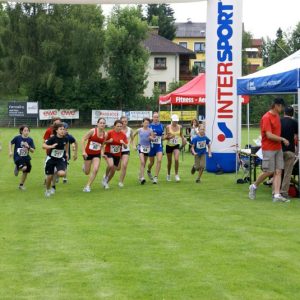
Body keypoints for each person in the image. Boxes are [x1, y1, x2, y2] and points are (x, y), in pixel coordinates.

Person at [248, 98, 290, 202]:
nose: (282, 108)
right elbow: (269, 135)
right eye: (281, 106)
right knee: (269, 171)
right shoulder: (266, 117)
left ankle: (276, 195)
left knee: (278, 171)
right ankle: (254, 186)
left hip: (278, 148)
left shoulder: (277, 116)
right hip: (268, 148)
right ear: (276, 105)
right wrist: (282, 139)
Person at [43, 122, 69, 197]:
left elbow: (67, 144)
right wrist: (51, 146)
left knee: (62, 173)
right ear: (56, 130)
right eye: (60, 129)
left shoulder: (65, 138)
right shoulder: (52, 138)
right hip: (51, 159)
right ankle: (47, 190)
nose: (62, 131)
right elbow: (43, 145)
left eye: (63, 129)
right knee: (49, 177)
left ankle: (55, 173)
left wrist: (66, 153)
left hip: (60, 159)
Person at [81, 118, 106, 192]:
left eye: (103, 123)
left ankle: (87, 186)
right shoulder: (92, 131)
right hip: (88, 153)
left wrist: (102, 153)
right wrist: (83, 151)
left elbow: (102, 145)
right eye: (100, 123)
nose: (102, 124)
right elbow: (83, 139)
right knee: (87, 172)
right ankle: (84, 167)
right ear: (97, 124)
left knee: (95, 169)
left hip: (97, 154)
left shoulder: (105, 134)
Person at [102, 120, 128, 189]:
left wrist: (123, 143)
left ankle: (106, 182)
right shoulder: (110, 133)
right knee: (110, 165)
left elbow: (125, 146)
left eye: (120, 126)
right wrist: (108, 141)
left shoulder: (123, 135)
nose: (119, 128)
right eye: (118, 126)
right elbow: (103, 143)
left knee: (113, 170)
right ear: (114, 126)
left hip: (117, 154)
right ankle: (106, 177)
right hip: (108, 152)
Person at [9, 125, 35, 190]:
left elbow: (33, 151)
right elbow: (10, 142)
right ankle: (18, 167)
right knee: (24, 168)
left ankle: (21, 185)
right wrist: (10, 151)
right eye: (25, 130)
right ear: (21, 131)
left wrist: (28, 146)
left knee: (26, 171)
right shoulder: (17, 138)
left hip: (26, 157)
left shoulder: (30, 140)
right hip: (17, 156)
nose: (26, 132)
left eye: (28, 131)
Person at [280, 106, 298, 198]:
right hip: (290, 150)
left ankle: (275, 192)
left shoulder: (279, 121)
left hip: (279, 150)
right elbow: (296, 137)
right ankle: (284, 192)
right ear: (293, 113)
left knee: (278, 172)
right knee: (287, 173)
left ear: (284, 113)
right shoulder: (295, 122)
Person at [165, 114, 186, 182]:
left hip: (176, 145)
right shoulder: (168, 127)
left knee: (176, 159)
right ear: (171, 120)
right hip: (169, 145)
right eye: (174, 121)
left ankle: (176, 175)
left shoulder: (180, 127)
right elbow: (166, 136)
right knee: (169, 161)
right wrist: (169, 137)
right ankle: (168, 174)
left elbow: (181, 134)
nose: (175, 122)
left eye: (176, 121)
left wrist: (183, 139)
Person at [133, 117, 153, 184]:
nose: (146, 124)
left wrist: (151, 138)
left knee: (144, 163)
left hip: (147, 148)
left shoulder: (150, 130)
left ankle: (140, 175)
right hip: (140, 147)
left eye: (148, 123)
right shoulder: (139, 130)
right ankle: (142, 178)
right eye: (145, 123)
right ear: (142, 123)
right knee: (142, 162)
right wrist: (133, 144)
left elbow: (152, 138)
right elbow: (132, 136)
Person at [147, 112, 164, 184]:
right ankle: (148, 170)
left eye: (157, 117)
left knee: (159, 160)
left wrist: (166, 137)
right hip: (151, 146)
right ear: (152, 118)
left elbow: (162, 136)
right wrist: (151, 137)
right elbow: (147, 136)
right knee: (151, 162)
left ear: (158, 118)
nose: (156, 118)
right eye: (154, 117)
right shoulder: (149, 126)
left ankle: (155, 177)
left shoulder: (161, 126)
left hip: (159, 146)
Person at [118, 116, 134, 188]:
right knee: (117, 167)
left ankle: (121, 182)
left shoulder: (130, 130)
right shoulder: (118, 129)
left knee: (124, 165)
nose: (124, 123)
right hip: (117, 150)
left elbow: (132, 138)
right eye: (123, 122)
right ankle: (106, 175)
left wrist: (133, 145)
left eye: (126, 121)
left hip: (126, 150)